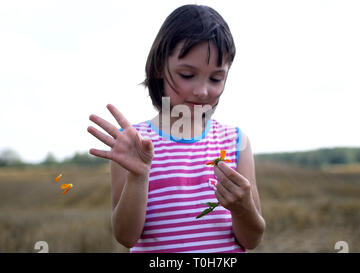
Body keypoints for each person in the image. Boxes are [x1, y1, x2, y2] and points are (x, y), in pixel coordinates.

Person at [87, 4, 265, 253]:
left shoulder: (236, 141)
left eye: (216, 78)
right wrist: (139, 176)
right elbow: (126, 236)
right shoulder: (133, 144)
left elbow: (252, 240)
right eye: (187, 74)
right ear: (160, 66)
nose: (202, 90)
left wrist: (243, 207)